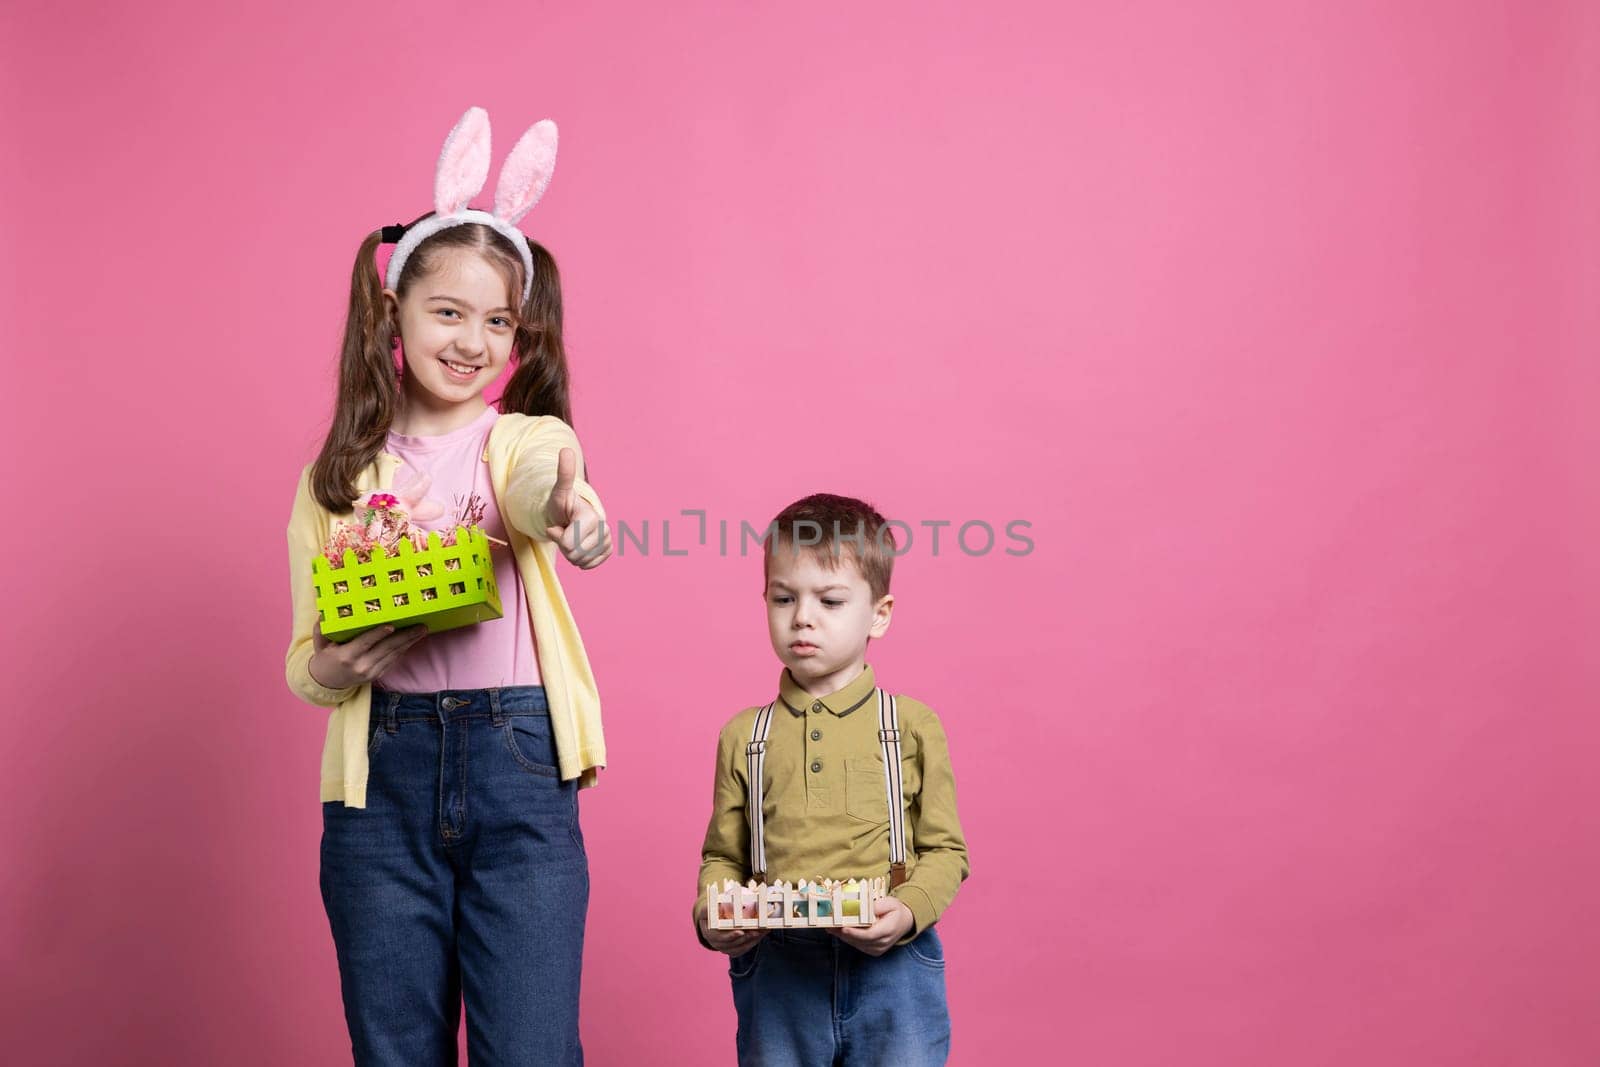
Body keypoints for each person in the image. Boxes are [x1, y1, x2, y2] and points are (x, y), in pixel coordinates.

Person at [284, 107, 612, 1066]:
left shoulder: (520, 439)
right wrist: (335, 661)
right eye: (449, 311)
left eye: (499, 320)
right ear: (394, 312)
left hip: (519, 762)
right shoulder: (335, 480)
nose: (474, 341)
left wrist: (570, 511)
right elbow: (306, 662)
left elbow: (546, 476)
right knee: (395, 1048)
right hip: (377, 782)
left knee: (534, 1048)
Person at [695, 493, 970, 1066]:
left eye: (830, 600)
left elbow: (945, 850)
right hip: (779, 974)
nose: (802, 616)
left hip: (893, 970)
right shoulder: (745, 736)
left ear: (880, 614)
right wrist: (710, 914)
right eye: (783, 597)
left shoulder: (912, 726)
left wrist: (911, 908)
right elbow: (724, 857)